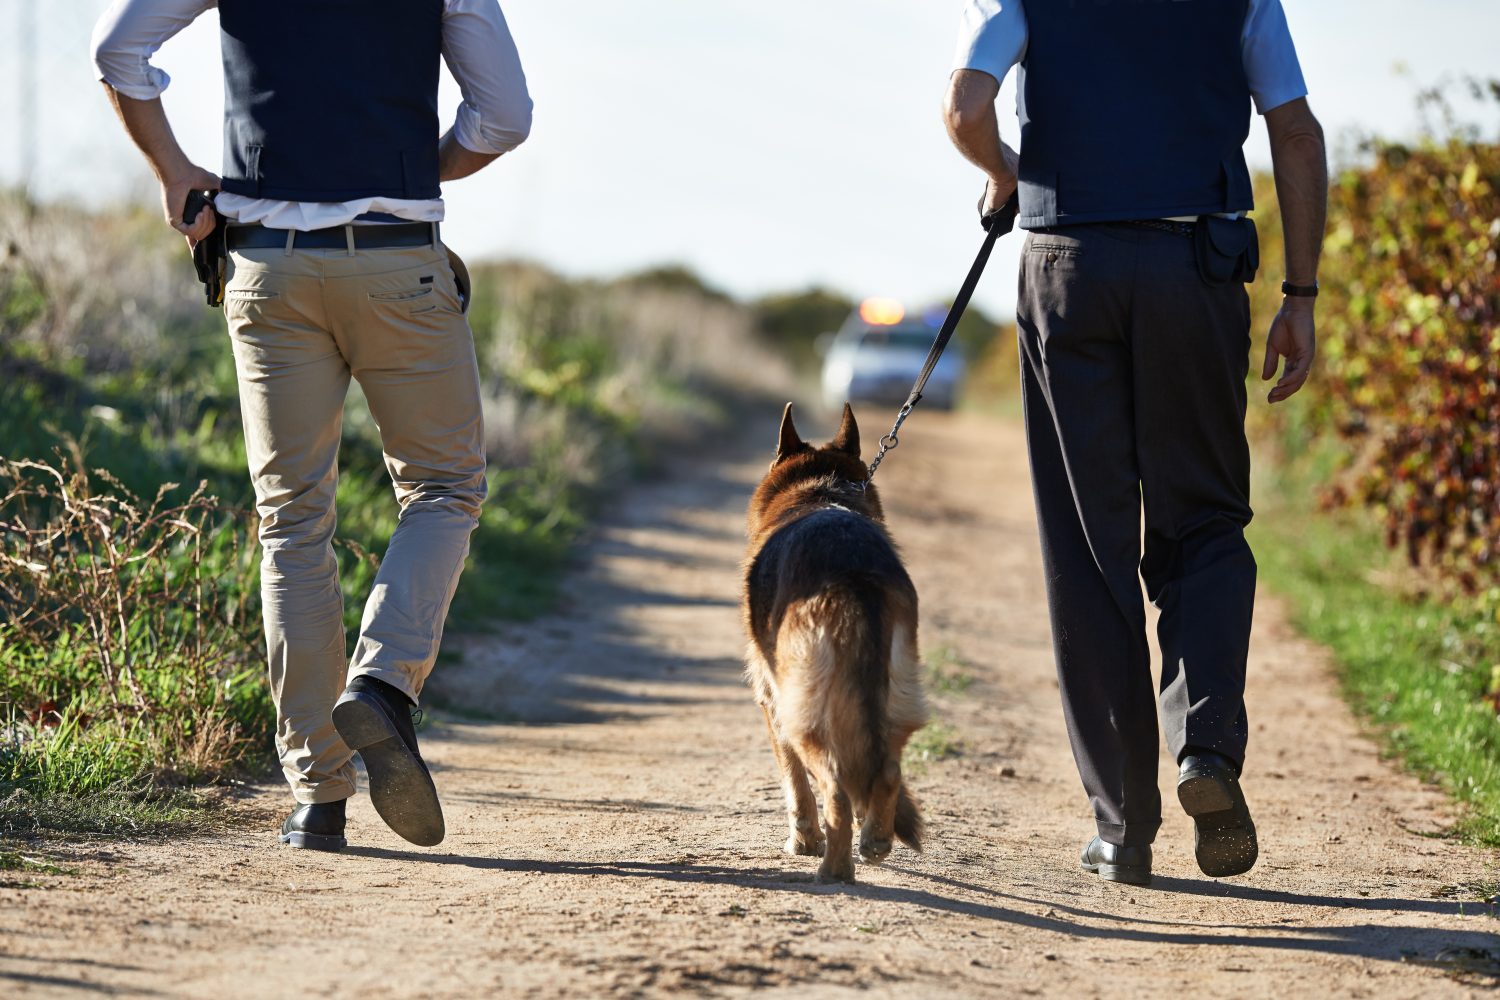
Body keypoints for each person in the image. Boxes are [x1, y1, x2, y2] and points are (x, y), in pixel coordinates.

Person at [92, 0, 533, 852]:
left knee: (293, 523)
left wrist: (174, 170)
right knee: (443, 490)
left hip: (268, 272)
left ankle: (317, 799)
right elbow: (503, 117)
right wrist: (419, 172)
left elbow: (119, 52)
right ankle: (382, 684)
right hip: (397, 260)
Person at [943, 0, 1327, 885]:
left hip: (1066, 268)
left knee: (1090, 545)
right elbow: (1295, 134)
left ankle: (1123, 827)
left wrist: (1005, 173)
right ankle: (1206, 751)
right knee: (1205, 523)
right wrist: (1299, 295)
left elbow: (966, 105)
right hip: (1194, 266)